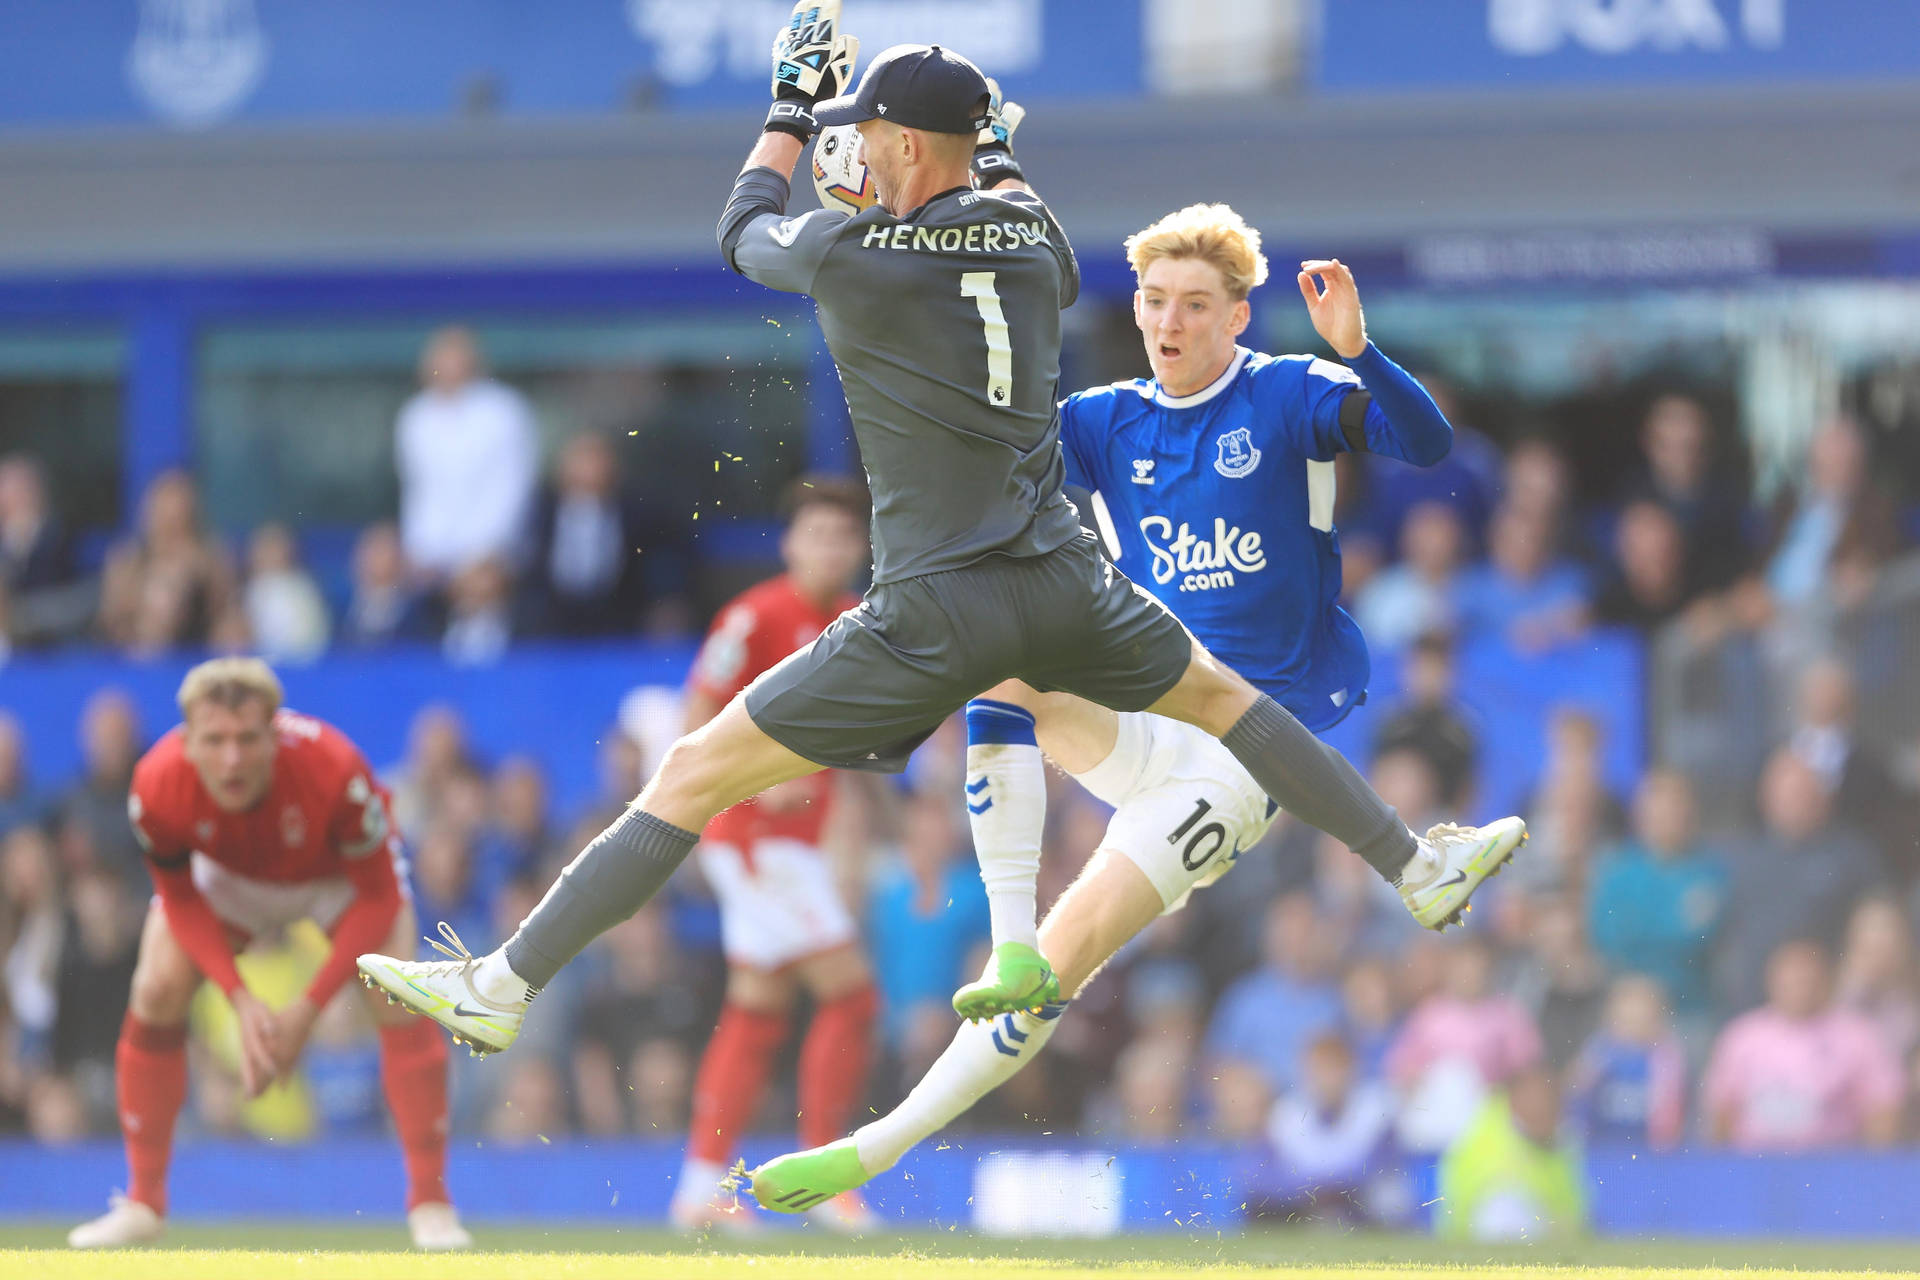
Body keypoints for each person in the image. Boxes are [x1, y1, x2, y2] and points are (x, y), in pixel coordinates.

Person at [360, 13, 1515, 1200]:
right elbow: (1003, 185)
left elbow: (743, 231)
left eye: (874, 132)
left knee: (695, 768)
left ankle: (501, 985)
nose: (858, 145)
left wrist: (788, 114)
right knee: (1226, 700)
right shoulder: (1037, 243)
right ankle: (1409, 864)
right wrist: (953, 143)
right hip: (1064, 579)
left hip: (938, 601)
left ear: (907, 144)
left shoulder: (863, 255)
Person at [746, 115, 1523, 1206]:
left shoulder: (1288, 393)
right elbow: (984, 433)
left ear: (1237, 315)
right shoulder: (1106, 421)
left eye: (1193, 303)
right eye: (1154, 301)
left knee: (1082, 945)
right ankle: (1003, 936)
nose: (1168, 321)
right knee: (997, 658)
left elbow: (1429, 446)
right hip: (1147, 704)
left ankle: (876, 1147)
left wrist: (1357, 350)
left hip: (1247, 745)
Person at [66, 658, 468, 1251]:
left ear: (275, 735)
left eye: (248, 739)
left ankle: (430, 1205)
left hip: (333, 879)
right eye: (216, 740)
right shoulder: (154, 786)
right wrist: (240, 997)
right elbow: (180, 899)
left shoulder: (333, 768)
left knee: (398, 993)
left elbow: (379, 899)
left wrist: (305, 1009)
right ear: (187, 741)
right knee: (155, 988)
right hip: (228, 877)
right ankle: (143, 1203)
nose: (232, 759)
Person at [666, 477, 880, 1231]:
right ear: (789, 543)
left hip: (799, 847)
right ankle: (821, 1177)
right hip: (751, 840)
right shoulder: (754, 616)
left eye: (844, 537)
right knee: (853, 997)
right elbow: (695, 717)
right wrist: (751, 794)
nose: (831, 548)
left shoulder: (859, 621)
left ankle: (699, 1193)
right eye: (817, 534)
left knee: (756, 1014)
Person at [1702, 939, 1903, 1150]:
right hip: (1753, 1164)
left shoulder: (1859, 1035)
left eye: (1807, 980)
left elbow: (1883, 1111)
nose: (1800, 988)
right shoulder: (1742, 1036)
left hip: (1833, 1166)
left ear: (1826, 980)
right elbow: (1720, 1111)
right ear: (1772, 981)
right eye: (1792, 980)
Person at [394, 326, 539, 583]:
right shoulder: (415, 416)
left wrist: (482, 553)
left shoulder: (504, 411)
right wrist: (419, 552)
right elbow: (418, 490)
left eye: (455, 358)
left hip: (493, 558)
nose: (446, 367)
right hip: (430, 561)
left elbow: (512, 488)